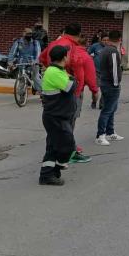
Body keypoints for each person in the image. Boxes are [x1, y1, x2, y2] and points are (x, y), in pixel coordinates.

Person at [39, 23, 98, 163]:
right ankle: (66, 153)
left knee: (57, 127)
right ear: (78, 35)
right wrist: (88, 88)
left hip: (53, 93)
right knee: (67, 125)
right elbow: (77, 67)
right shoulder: (71, 47)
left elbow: (42, 58)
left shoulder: (55, 43)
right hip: (69, 91)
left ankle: (55, 155)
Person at [38, 45, 77, 186]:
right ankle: (60, 165)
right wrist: (72, 77)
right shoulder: (54, 72)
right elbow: (71, 87)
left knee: (53, 147)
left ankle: (48, 175)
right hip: (56, 117)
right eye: (67, 55)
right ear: (64, 58)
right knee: (67, 145)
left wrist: (69, 76)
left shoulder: (57, 70)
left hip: (56, 116)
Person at [95, 30, 125, 146]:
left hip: (105, 82)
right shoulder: (112, 51)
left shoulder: (104, 49)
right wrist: (116, 84)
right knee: (107, 110)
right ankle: (100, 135)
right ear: (119, 39)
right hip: (111, 84)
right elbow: (114, 70)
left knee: (111, 109)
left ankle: (110, 132)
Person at [7, 27, 42, 92]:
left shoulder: (35, 42)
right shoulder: (18, 42)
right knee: (21, 78)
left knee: (35, 78)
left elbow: (38, 53)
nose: (29, 35)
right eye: (28, 34)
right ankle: (21, 94)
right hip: (22, 63)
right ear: (23, 33)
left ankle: (42, 93)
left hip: (33, 63)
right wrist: (10, 62)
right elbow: (12, 53)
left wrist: (36, 61)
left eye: (30, 34)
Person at [87, 35, 108, 109]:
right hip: (96, 71)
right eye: (104, 40)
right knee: (95, 89)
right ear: (100, 40)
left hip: (106, 72)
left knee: (104, 89)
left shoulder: (109, 48)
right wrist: (91, 59)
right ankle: (94, 101)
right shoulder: (95, 46)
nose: (105, 42)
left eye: (107, 40)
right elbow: (87, 53)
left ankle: (102, 104)